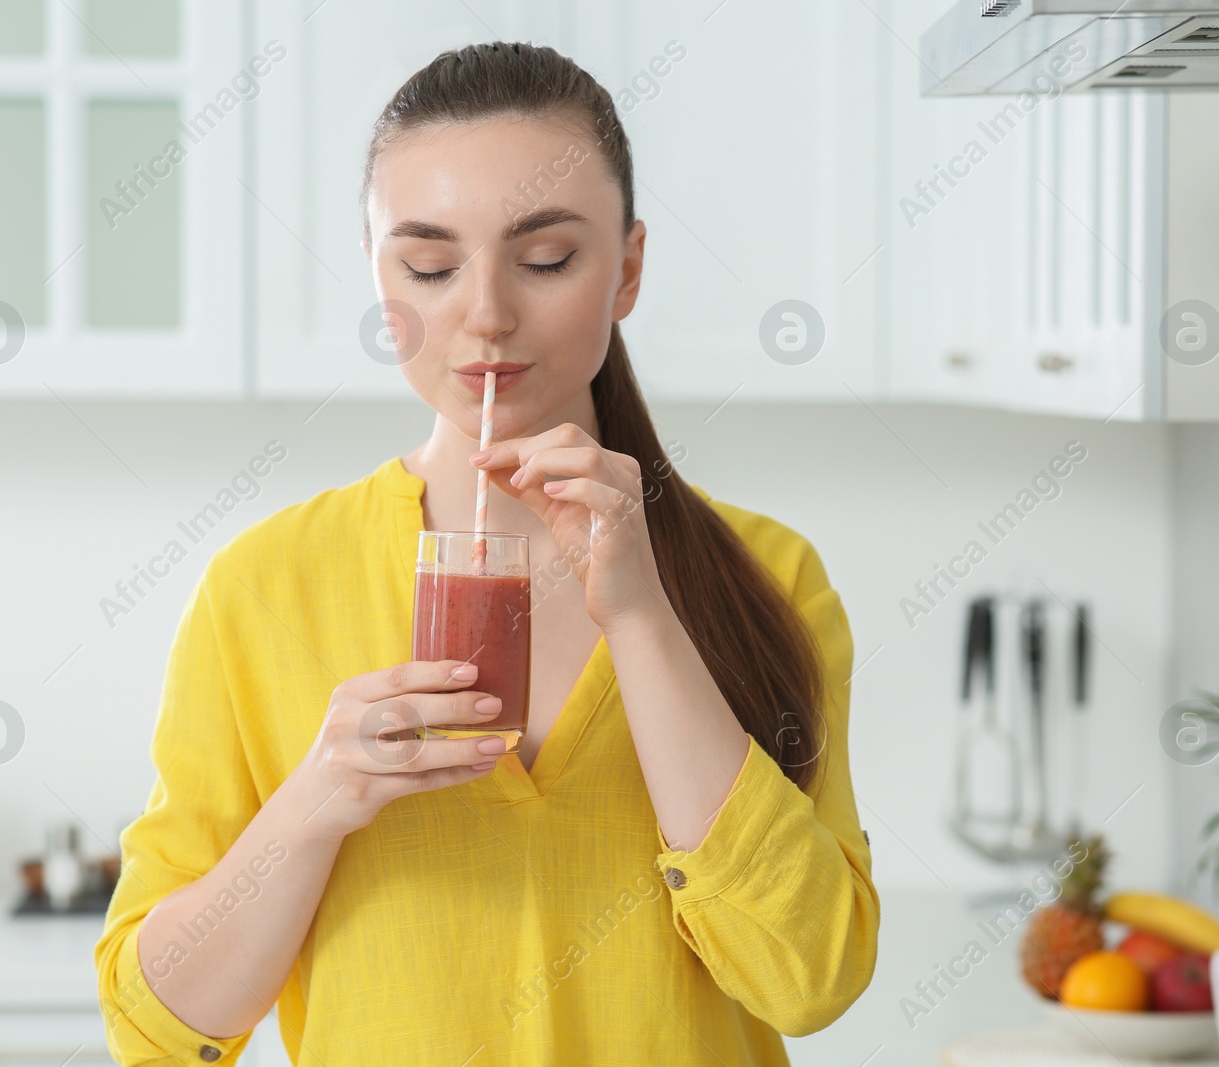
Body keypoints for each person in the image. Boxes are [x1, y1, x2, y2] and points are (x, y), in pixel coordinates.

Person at [95, 40, 879, 1067]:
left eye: (546, 258)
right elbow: (156, 1026)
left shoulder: (769, 574)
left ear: (628, 268)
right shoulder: (263, 585)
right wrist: (313, 804)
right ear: (382, 280)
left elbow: (810, 977)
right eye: (428, 265)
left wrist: (641, 616)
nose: (486, 314)